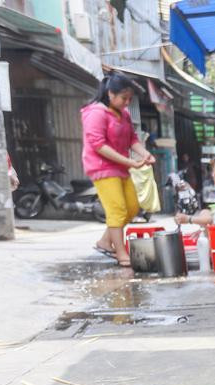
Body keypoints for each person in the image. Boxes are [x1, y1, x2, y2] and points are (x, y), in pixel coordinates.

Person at [81, 73, 154, 266]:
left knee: (131, 207)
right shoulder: (96, 112)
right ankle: (121, 252)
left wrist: (144, 154)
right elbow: (98, 145)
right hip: (102, 167)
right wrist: (129, 162)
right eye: (124, 98)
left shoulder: (124, 114)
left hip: (121, 167)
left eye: (129, 99)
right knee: (117, 209)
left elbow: (132, 139)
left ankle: (105, 241)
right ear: (110, 94)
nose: (127, 102)